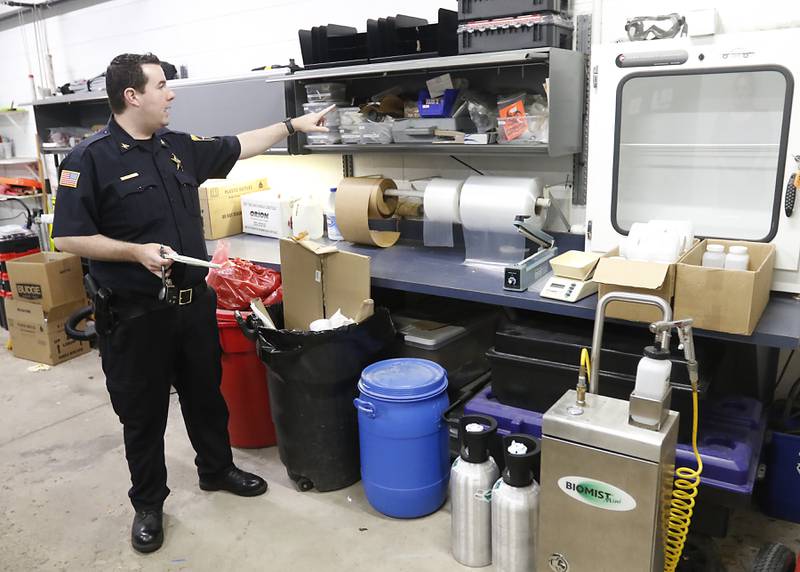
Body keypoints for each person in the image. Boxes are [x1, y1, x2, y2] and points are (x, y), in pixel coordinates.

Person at [51, 53, 333, 554]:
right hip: (135, 315)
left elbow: (240, 145)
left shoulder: (177, 147)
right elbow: (69, 238)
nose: (172, 94)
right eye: (162, 85)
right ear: (132, 95)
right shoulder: (89, 159)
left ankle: (216, 469)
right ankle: (148, 503)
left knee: (206, 396)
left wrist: (292, 124)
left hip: (192, 305)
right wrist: (133, 252)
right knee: (143, 414)